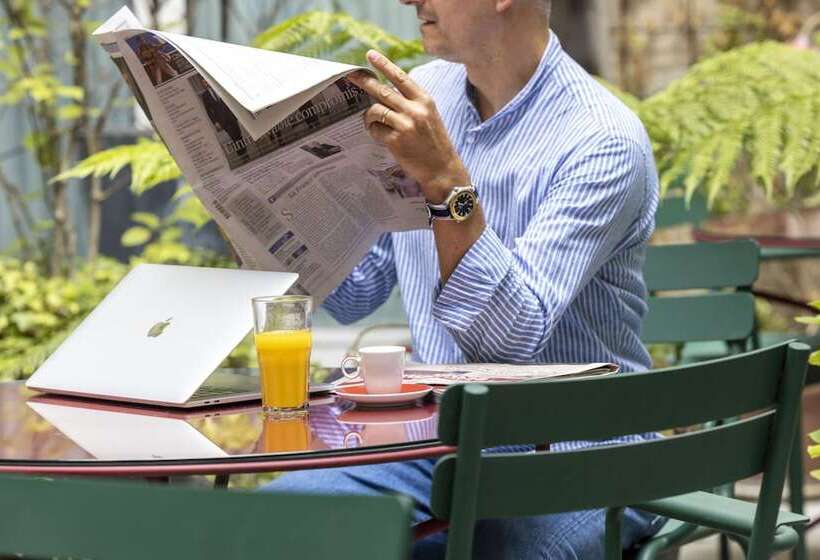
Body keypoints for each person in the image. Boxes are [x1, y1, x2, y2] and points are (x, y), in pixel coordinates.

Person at [263, 0, 662, 558]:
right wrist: (257, 206)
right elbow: (357, 290)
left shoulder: (603, 140)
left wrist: (446, 184)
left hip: (582, 456)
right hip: (441, 448)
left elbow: (506, 340)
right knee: (269, 526)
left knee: (495, 548)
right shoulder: (425, 97)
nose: (409, 1)